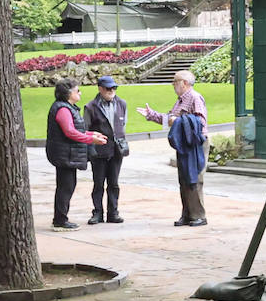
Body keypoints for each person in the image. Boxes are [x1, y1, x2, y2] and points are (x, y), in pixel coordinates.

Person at [143, 70, 208, 227]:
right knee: (184, 178)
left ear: (184, 83)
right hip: (184, 142)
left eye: (175, 82)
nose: (173, 85)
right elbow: (169, 119)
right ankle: (187, 214)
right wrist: (151, 115)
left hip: (195, 143)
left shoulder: (195, 97)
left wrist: (178, 120)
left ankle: (199, 215)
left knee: (195, 179)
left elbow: (200, 121)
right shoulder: (180, 100)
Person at [46, 78, 106, 231]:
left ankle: (60, 218)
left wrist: (92, 134)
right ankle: (60, 220)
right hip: (64, 154)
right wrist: (90, 139)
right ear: (68, 93)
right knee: (65, 187)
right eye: (77, 90)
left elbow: (75, 130)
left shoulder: (68, 108)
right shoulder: (63, 109)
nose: (80, 93)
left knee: (67, 186)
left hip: (68, 154)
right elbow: (69, 132)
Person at [83, 75, 129, 225]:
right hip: (99, 151)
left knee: (114, 183)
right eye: (108, 88)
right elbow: (86, 129)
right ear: (100, 89)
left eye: (114, 88)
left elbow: (123, 125)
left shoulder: (122, 103)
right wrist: (90, 150)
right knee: (98, 183)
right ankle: (97, 213)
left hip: (116, 150)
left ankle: (113, 212)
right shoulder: (90, 107)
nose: (111, 91)